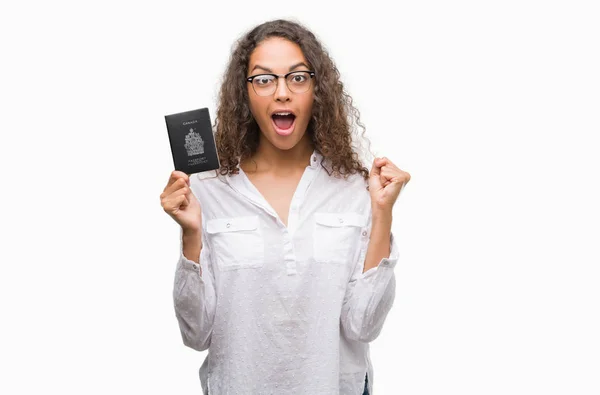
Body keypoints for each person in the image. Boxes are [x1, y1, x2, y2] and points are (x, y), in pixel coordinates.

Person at [160, 19, 411, 395]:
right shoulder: (207, 189)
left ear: (317, 90)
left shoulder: (356, 188)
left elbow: (363, 326)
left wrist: (382, 213)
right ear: (244, 94)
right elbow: (196, 333)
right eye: (263, 79)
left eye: (297, 77)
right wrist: (191, 233)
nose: (281, 93)